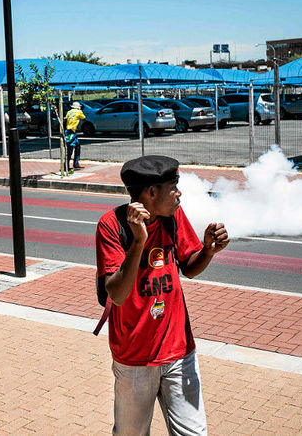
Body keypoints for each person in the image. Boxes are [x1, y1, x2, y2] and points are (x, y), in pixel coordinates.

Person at [95, 155, 229, 435]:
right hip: (134, 358)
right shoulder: (111, 225)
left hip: (179, 350)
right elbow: (117, 294)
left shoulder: (173, 216)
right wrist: (139, 240)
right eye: (174, 186)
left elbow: (189, 268)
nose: (179, 193)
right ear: (151, 192)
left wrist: (208, 251)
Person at [64, 102, 86, 172]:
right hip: (71, 132)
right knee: (70, 149)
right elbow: (84, 119)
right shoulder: (79, 112)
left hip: (68, 131)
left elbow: (65, 121)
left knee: (77, 146)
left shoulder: (69, 112)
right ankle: (66, 165)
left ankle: (76, 163)